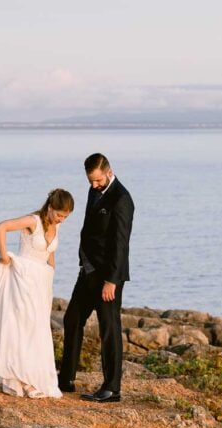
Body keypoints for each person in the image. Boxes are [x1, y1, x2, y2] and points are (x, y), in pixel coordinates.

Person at [0, 189, 73, 398]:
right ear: (50, 207)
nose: (62, 220)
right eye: (59, 215)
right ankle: (22, 379)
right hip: (23, 279)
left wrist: (51, 273)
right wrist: (4, 256)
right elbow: (1, 227)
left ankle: (34, 377)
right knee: (22, 328)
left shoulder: (56, 225)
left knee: (38, 329)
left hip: (42, 283)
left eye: (65, 217)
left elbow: (50, 253)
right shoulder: (33, 221)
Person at [58, 153, 134, 403]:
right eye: (91, 181)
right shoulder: (94, 191)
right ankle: (66, 380)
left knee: (109, 329)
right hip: (88, 271)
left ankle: (112, 388)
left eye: (98, 180)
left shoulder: (122, 199)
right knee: (72, 319)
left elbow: (120, 244)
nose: (94, 185)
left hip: (108, 277)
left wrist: (111, 281)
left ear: (109, 172)